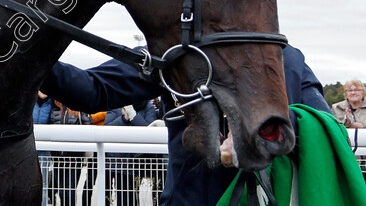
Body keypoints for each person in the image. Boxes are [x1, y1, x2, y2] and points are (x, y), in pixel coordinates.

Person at [40, 44, 331, 206]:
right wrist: (28, 45)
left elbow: (326, 127)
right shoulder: (174, 54)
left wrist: (262, 124)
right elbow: (92, 89)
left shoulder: (287, 57)